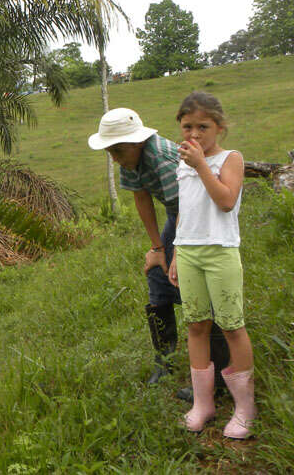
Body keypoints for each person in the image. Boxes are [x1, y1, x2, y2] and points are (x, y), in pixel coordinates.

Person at [88, 107, 229, 398]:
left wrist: (177, 253)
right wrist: (157, 249)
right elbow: (142, 198)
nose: (114, 157)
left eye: (117, 150)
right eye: (110, 151)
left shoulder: (162, 159)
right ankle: (163, 360)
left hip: (200, 218)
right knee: (157, 275)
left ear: (137, 143)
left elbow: (188, 207)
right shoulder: (129, 160)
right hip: (176, 215)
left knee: (196, 288)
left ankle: (219, 377)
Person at [168, 91, 256, 439]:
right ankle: (203, 404)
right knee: (195, 325)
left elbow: (225, 201)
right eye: (187, 126)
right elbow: (185, 212)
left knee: (232, 325)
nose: (194, 134)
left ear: (219, 127)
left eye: (202, 126)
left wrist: (202, 165)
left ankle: (245, 408)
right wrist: (176, 252)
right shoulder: (183, 162)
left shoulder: (230, 159)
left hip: (220, 251)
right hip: (188, 252)